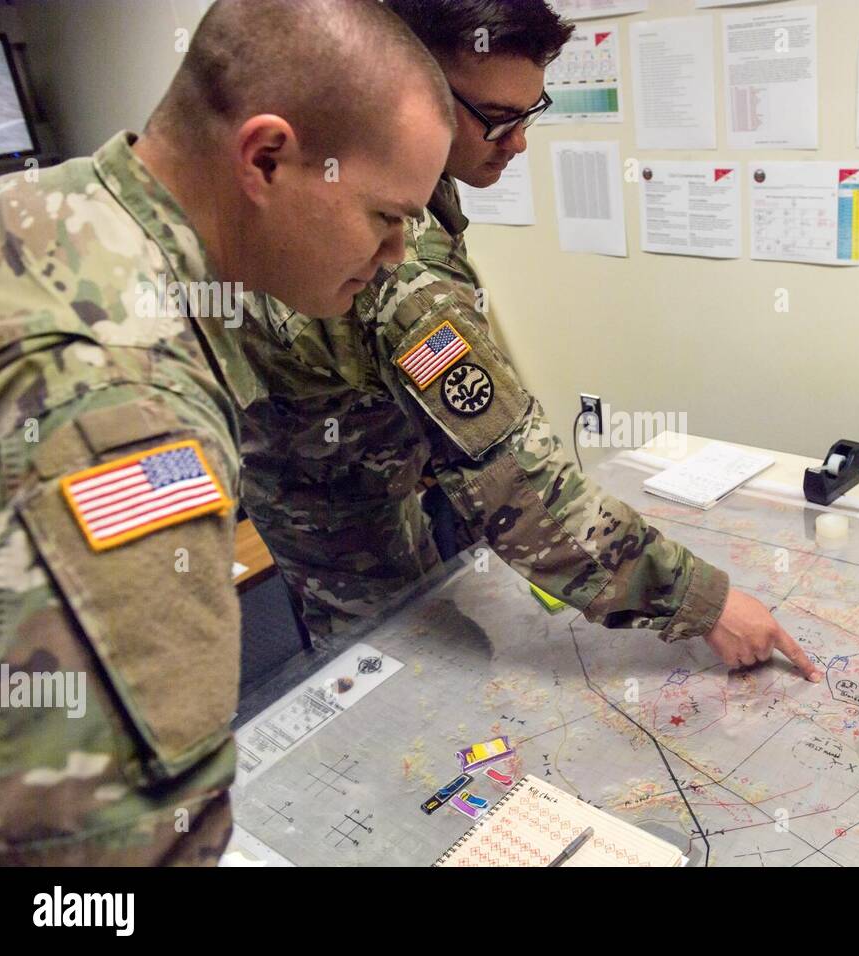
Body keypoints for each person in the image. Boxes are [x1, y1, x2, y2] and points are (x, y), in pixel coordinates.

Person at [0, 0, 453, 864]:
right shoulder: (134, 410)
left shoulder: (37, 207)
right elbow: (103, 862)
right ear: (266, 158)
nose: (395, 255)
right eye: (385, 216)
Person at [236, 0, 820, 681]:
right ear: (408, 88)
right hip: (344, 534)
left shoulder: (386, 194)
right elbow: (525, 491)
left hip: (380, 484)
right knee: (401, 698)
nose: (518, 143)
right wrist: (706, 603)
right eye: (497, 119)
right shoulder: (401, 269)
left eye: (530, 112)